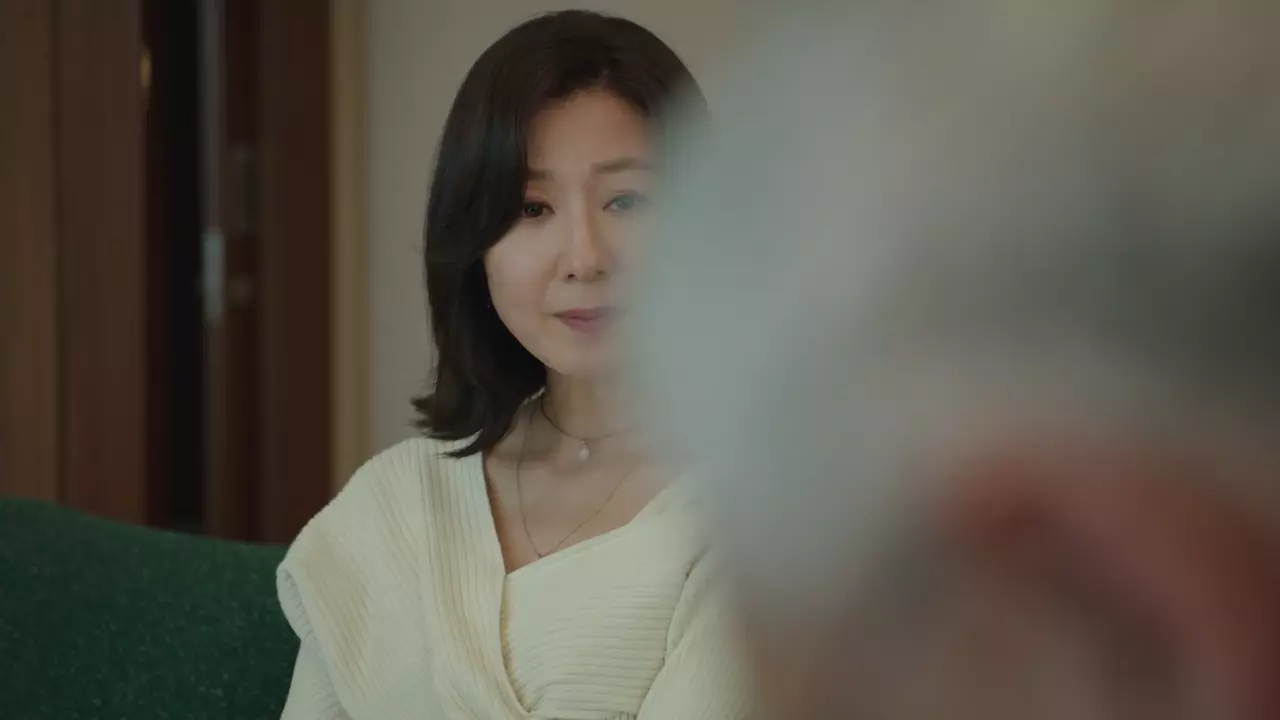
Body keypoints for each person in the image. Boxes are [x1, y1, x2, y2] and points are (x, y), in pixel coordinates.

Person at [276, 10, 745, 720]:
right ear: (475, 245)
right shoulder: (399, 503)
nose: (584, 259)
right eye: (531, 208)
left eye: (626, 199)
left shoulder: (763, 511)